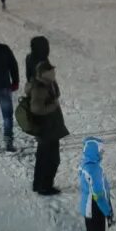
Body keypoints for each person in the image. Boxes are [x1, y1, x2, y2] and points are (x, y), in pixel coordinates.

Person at [26, 57, 69, 196]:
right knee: (51, 160)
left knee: (43, 158)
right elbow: (36, 109)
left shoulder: (47, 84)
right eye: (50, 71)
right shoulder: (39, 88)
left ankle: (38, 185)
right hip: (46, 129)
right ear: (43, 73)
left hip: (49, 128)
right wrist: (53, 106)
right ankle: (45, 187)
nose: (53, 73)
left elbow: (56, 94)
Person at [78, 137, 115, 231]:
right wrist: (108, 212)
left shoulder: (86, 165)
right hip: (95, 209)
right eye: (101, 150)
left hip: (88, 209)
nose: (102, 153)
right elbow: (99, 195)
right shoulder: (93, 169)